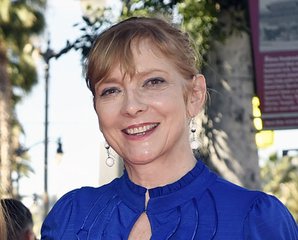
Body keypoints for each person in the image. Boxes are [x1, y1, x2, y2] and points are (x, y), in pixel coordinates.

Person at [41, 16, 298, 239]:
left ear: (194, 95)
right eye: (111, 90)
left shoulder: (254, 220)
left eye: (153, 82)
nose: (131, 106)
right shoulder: (70, 218)